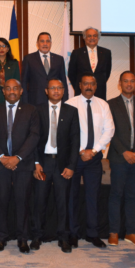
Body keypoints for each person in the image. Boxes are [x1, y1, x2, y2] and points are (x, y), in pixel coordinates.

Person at [0, 79, 39, 254]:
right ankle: (1, 237)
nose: (12, 91)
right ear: (3, 91)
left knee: (22, 202)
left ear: (21, 91)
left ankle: (22, 238)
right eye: (8, 88)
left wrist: (17, 158)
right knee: (0, 202)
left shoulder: (31, 110)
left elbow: (34, 136)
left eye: (15, 88)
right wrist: (2, 157)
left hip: (23, 164)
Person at [66, 73, 114, 249]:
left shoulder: (103, 105)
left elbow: (109, 130)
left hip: (94, 159)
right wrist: (80, 151)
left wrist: (93, 151)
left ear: (96, 86)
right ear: (79, 85)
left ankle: (93, 234)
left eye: (92, 84)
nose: (88, 87)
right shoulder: (70, 104)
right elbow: (66, 131)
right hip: (74, 158)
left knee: (93, 196)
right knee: (72, 196)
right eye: (85, 83)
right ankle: (73, 233)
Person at [31, 79, 80, 253]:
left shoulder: (71, 111)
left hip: (62, 165)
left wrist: (71, 165)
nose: (56, 91)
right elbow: (33, 139)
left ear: (64, 91)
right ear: (46, 91)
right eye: (53, 88)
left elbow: (75, 141)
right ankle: (37, 236)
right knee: (39, 201)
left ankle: (63, 238)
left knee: (62, 202)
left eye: (59, 88)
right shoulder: (37, 110)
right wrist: (36, 163)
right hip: (43, 164)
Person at [107, 71, 135, 247]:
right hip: (119, 157)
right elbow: (110, 130)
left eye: (132, 81)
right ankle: (113, 232)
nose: (129, 84)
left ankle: (131, 232)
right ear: (120, 84)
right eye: (125, 81)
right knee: (116, 194)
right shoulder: (111, 104)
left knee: (132, 195)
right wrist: (124, 152)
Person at [21, 32, 69, 105]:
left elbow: (63, 81)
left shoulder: (59, 59)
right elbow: (24, 82)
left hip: (55, 100)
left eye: (47, 41)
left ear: (51, 43)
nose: (45, 44)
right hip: (35, 100)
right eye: (42, 41)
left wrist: (65, 101)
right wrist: (25, 102)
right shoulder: (29, 59)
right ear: (37, 43)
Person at [68, 27, 112, 100]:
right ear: (84, 38)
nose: (92, 38)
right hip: (81, 92)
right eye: (89, 36)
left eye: (94, 36)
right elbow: (71, 74)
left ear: (98, 38)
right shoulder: (77, 53)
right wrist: (80, 86)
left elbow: (107, 73)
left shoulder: (106, 53)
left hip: (100, 92)